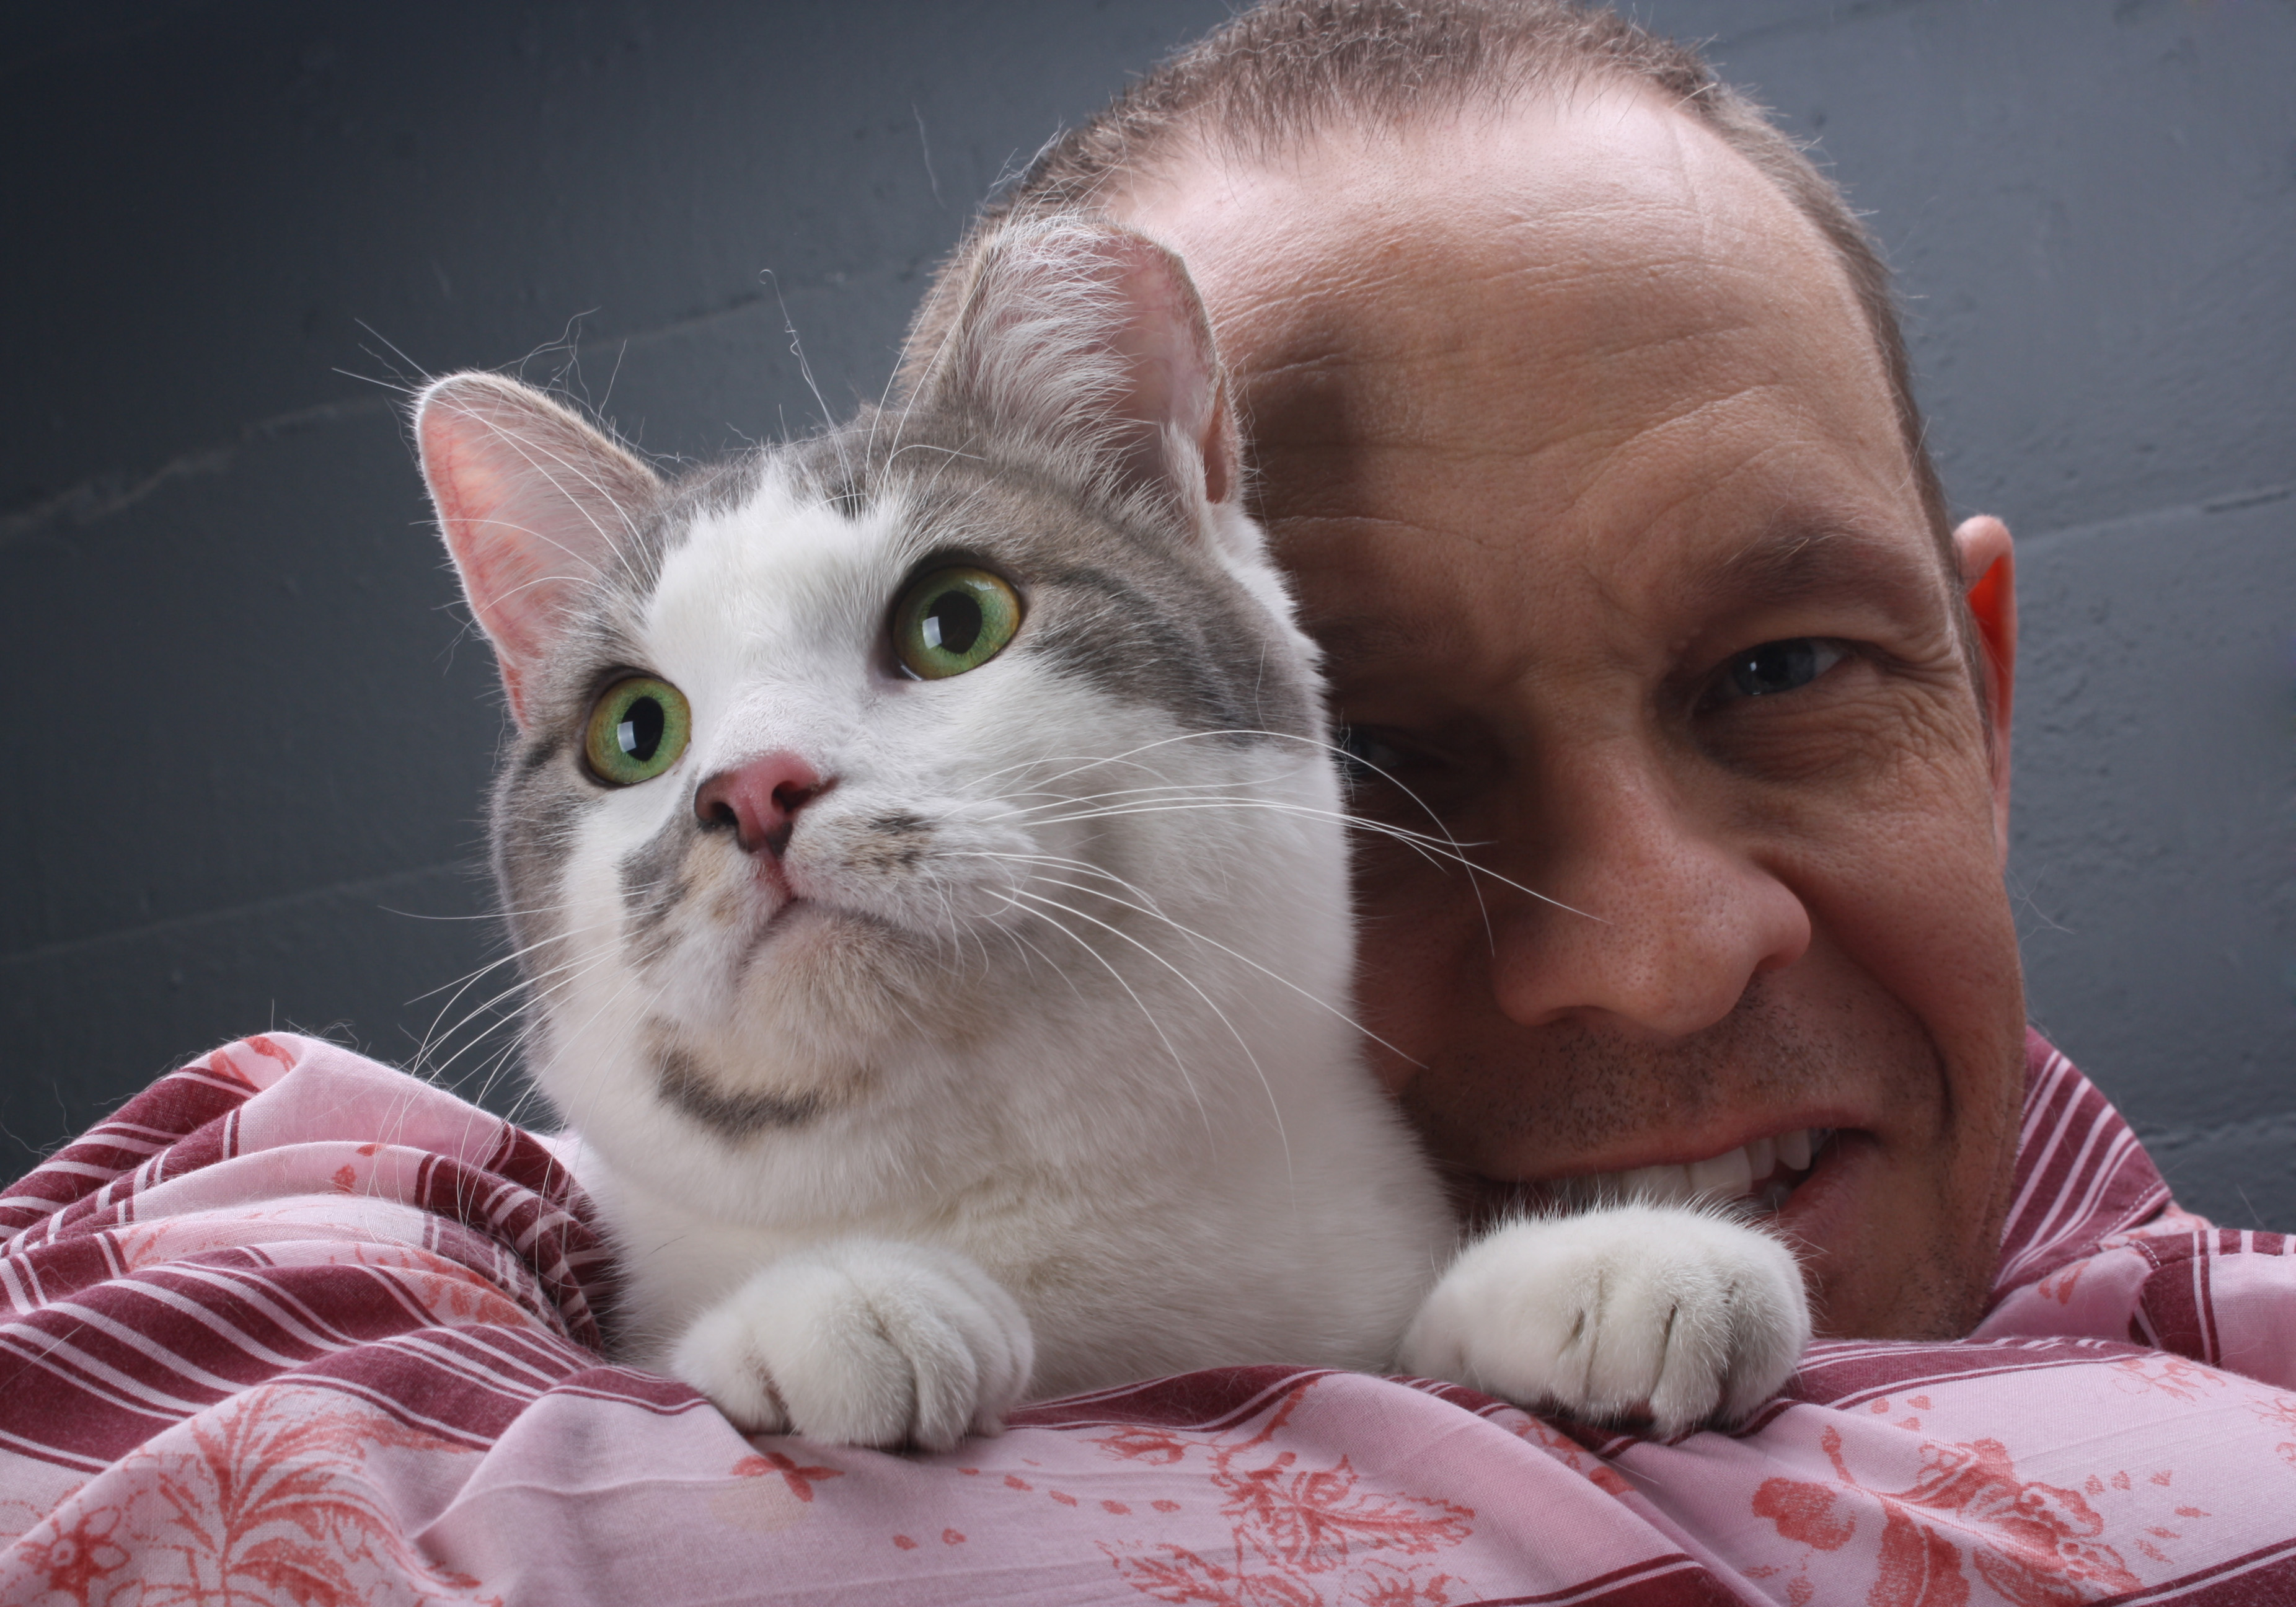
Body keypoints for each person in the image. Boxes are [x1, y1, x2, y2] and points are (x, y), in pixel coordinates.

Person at [3, 4, 2292, 1604]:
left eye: (1788, 673)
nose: (1659, 951)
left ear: (1988, 704)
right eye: (1390, 759)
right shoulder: (355, 1312)